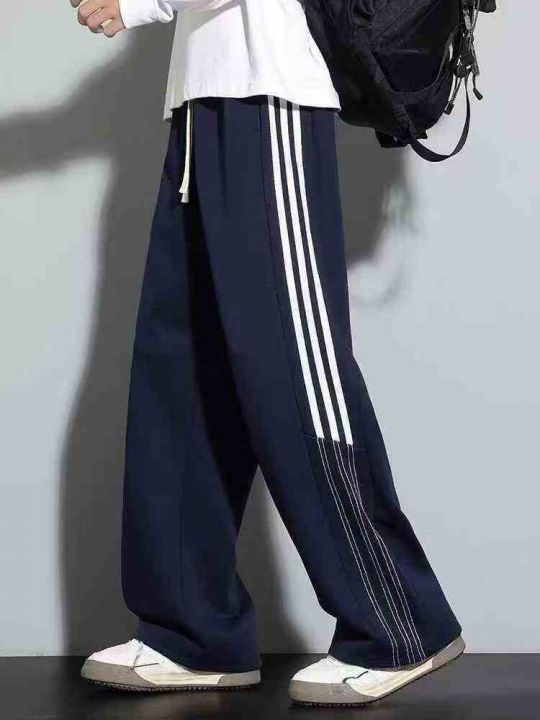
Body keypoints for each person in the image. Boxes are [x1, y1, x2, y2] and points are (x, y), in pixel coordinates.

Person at [73, 0, 464, 705]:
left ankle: (401, 623)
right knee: (184, 370)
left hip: (272, 94)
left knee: (294, 371)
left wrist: (137, 3)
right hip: (203, 98)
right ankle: (191, 632)